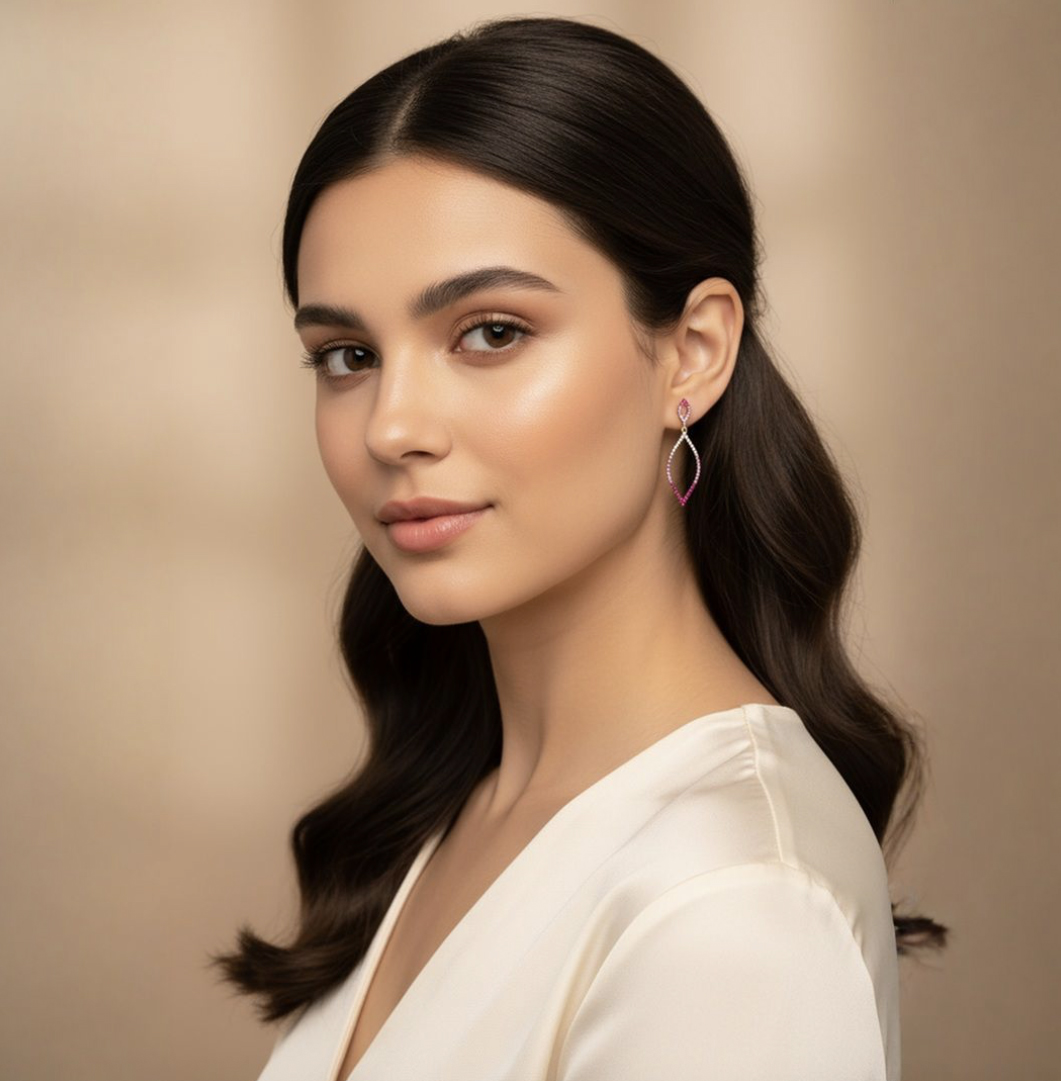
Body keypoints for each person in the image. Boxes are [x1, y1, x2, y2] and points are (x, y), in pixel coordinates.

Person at [210, 15, 948, 1080]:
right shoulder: (464, 805)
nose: (390, 426)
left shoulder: (729, 908)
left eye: (491, 332)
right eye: (346, 354)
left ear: (691, 351)